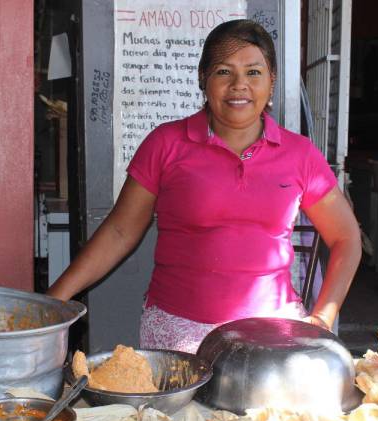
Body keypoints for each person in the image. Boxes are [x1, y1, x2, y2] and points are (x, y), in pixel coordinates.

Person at [49, 20, 361, 353]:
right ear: (203, 79)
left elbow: (347, 237)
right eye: (224, 72)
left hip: (273, 334)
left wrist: (323, 318)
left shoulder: (300, 155)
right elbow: (120, 232)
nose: (239, 85)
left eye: (254, 72)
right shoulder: (166, 144)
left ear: (272, 81)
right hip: (178, 334)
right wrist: (54, 300)